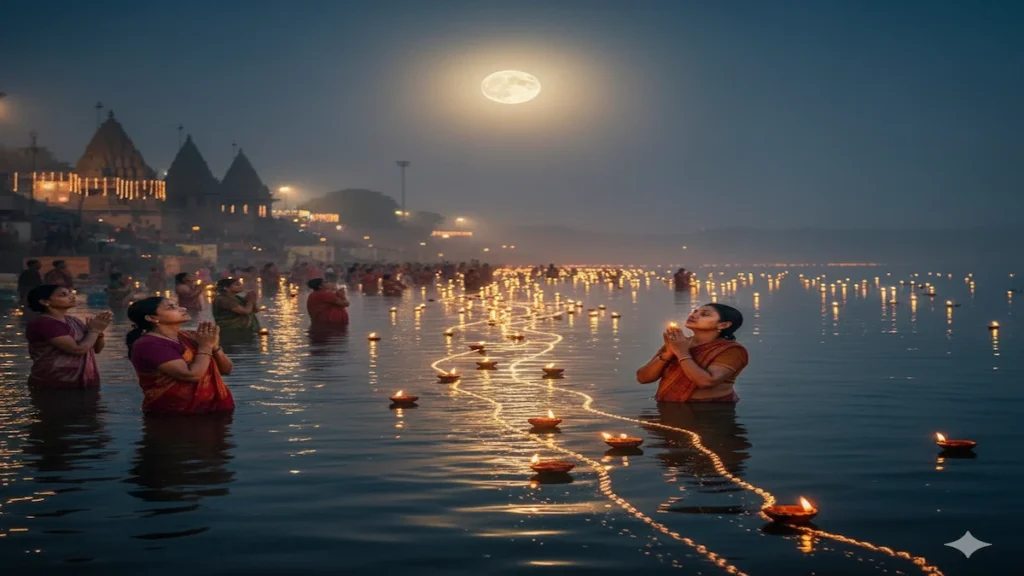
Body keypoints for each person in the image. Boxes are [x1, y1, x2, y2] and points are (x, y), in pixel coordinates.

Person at [126, 297, 234, 414]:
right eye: (171, 307)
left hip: (215, 411)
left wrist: (214, 346)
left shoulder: (191, 336)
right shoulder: (149, 344)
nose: (183, 308)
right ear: (152, 318)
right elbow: (190, 376)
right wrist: (205, 346)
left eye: (177, 305)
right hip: (174, 416)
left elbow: (226, 370)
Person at [636, 303, 748, 403]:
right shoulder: (678, 343)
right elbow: (643, 378)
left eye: (705, 314)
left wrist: (682, 353)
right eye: (695, 312)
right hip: (667, 409)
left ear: (723, 325)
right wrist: (668, 354)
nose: (694, 315)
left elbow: (706, 382)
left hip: (711, 412)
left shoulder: (731, 350)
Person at [25, 285, 112, 388]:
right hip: (54, 384)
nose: (71, 296)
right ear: (45, 302)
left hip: (86, 382)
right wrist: (95, 330)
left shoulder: (74, 321)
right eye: (63, 295)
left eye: (70, 293)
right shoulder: (44, 323)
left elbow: (96, 349)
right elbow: (77, 350)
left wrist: (99, 333)